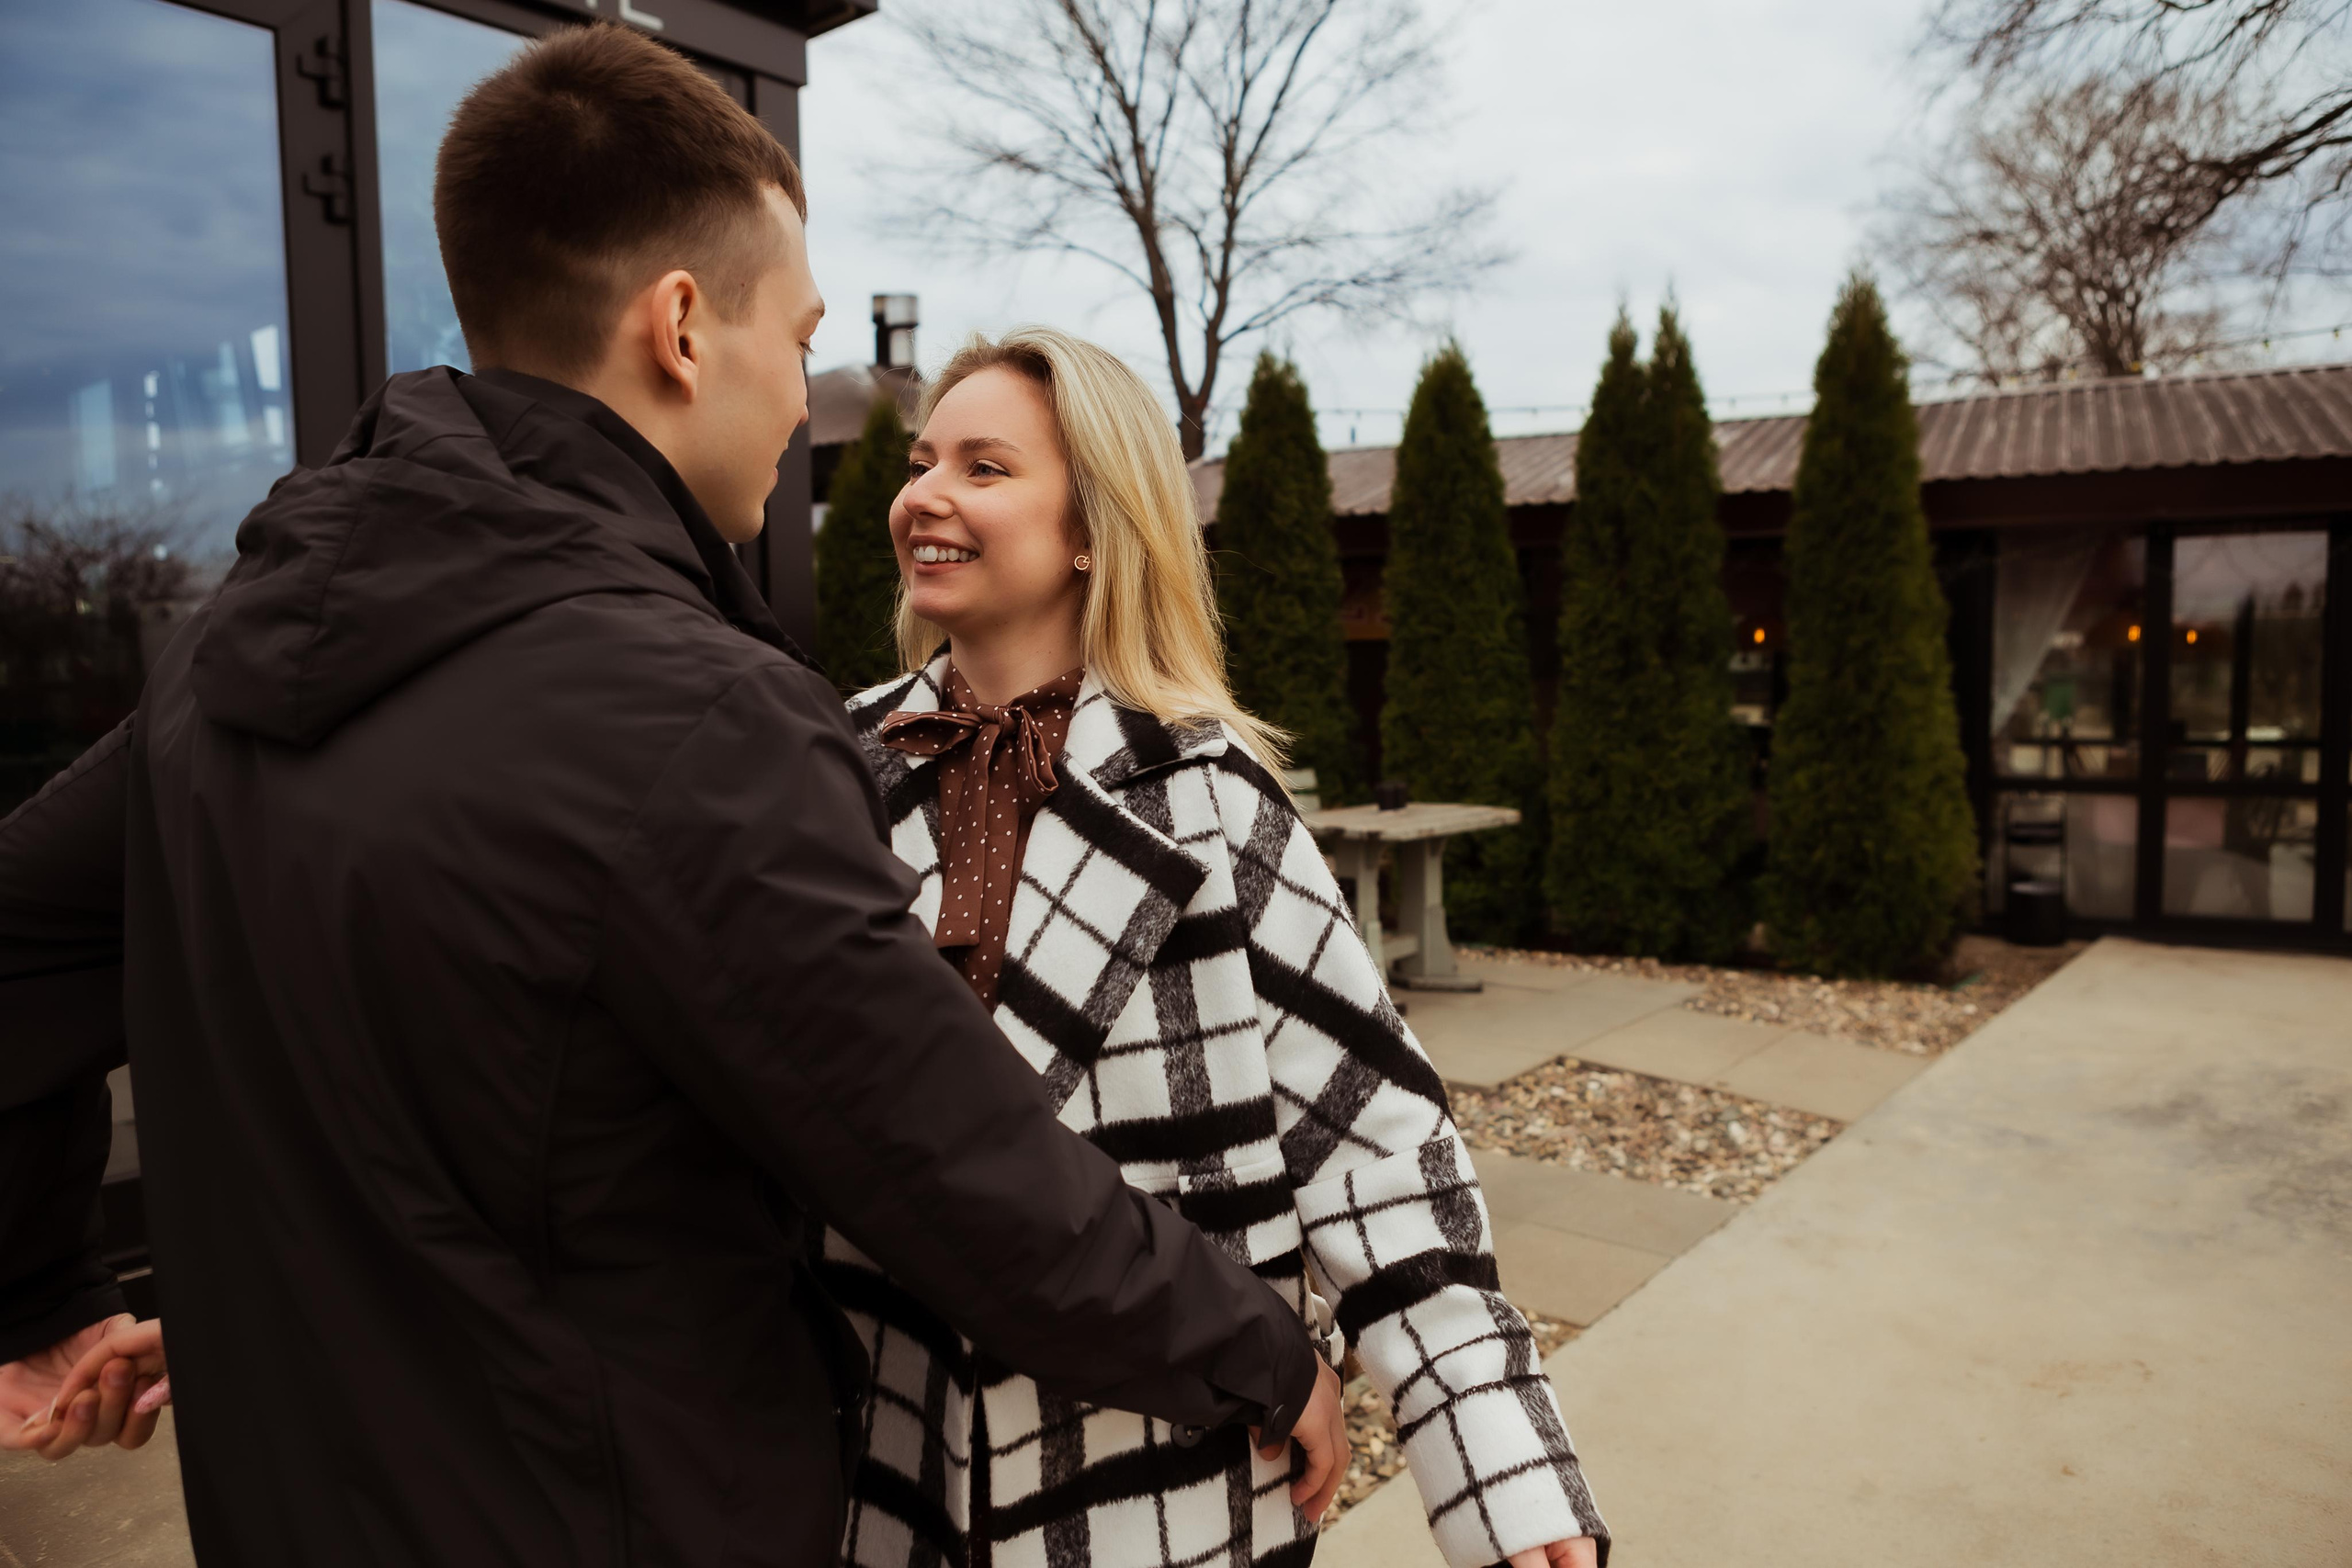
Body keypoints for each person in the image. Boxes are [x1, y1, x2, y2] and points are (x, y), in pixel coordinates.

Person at [0, 26, 1350, 1564]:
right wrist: (1254, 1346)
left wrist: (37, 1290)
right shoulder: (695, 722)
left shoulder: (214, 673)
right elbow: (944, 1160)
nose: (801, 398)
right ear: (685, 328)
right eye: (800, 334)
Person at [820, 328, 1610, 1568]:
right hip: (878, 1442)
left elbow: (1370, 1137)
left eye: (984, 467)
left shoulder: (1210, 794)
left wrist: (1493, 1455)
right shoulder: (826, 768)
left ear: (1092, 525)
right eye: (923, 463)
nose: (922, 495)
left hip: (1145, 1460)